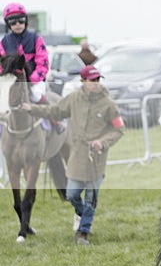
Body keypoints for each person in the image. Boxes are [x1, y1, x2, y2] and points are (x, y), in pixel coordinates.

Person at [21, 65, 125, 246]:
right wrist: (32, 109)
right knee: (71, 194)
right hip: (77, 156)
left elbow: (119, 129)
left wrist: (103, 142)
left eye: (97, 80)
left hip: (96, 158)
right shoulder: (73, 99)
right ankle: (83, 212)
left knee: (91, 198)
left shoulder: (109, 104)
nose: (95, 84)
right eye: (91, 80)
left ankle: (83, 233)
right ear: (83, 81)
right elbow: (53, 111)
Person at [1, 2, 50, 104]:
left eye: (21, 20)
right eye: (13, 22)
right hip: (12, 80)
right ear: (8, 24)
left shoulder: (36, 39)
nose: (18, 24)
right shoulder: (4, 42)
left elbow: (43, 63)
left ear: (26, 20)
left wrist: (31, 79)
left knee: (35, 94)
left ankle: (52, 119)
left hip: (33, 80)